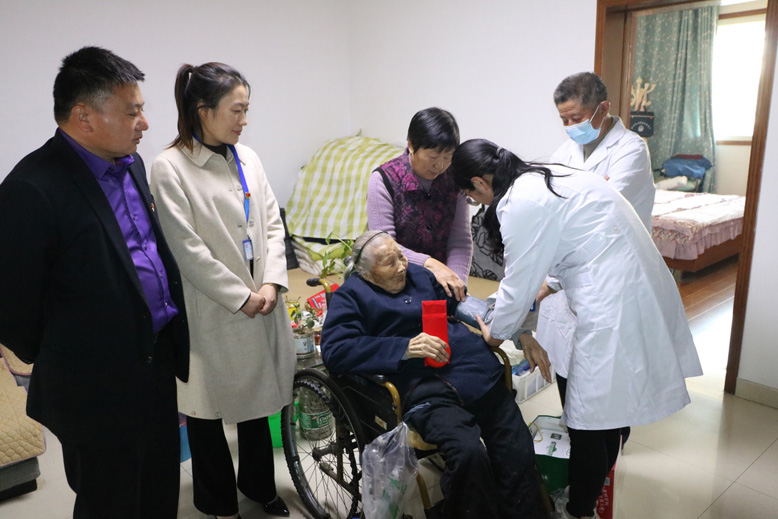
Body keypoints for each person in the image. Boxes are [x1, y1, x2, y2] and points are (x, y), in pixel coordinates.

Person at [450, 139, 702, 519]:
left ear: (479, 183)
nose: (477, 203)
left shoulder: (518, 202)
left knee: (588, 419)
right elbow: (578, 238)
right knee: (610, 412)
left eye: (472, 197)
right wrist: (546, 288)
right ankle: (590, 496)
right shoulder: (547, 175)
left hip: (612, 300)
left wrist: (496, 333)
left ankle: (578, 510)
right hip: (630, 283)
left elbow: (517, 285)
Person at [0, 47, 190, 518]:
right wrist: (71, 352)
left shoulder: (132, 164)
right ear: (84, 116)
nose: (144, 122)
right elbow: (13, 308)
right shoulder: (32, 188)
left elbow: (146, 253)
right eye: (132, 111)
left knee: (160, 487)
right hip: (93, 384)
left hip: (155, 361)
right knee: (110, 500)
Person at [149, 63, 296, 519]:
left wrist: (271, 281)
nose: (244, 120)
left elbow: (272, 223)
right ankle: (217, 502)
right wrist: (241, 295)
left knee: (258, 403)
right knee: (207, 411)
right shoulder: (169, 167)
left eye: (246, 110)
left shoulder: (247, 157)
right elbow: (185, 248)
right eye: (237, 110)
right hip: (211, 310)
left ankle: (259, 486)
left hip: (262, 299)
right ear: (203, 110)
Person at [321, 231, 544, 519]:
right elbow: (336, 350)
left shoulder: (420, 276)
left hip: (473, 373)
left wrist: (518, 332)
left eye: (401, 256)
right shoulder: (351, 296)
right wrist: (404, 347)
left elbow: (462, 304)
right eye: (389, 262)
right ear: (366, 273)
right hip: (425, 392)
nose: (402, 266)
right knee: (469, 455)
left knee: (517, 447)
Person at [537, 72, 657, 447]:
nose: (570, 127)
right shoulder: (563, 154)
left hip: (612, 278)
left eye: (576, 118)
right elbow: (550, 209)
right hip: (569, 276)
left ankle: (611, 444)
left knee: (609, 374)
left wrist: (550, 279)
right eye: (564, 120)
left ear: (602, 109)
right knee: (568, 365)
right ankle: (582, 436)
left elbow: (599, 217)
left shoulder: (630, 150)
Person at [367, 107, 472, 301]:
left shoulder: (454, 179)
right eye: (433, 157)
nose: (440, 166)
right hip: (395, 281)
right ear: (411, 145)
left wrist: (456, 283)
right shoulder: (383, 180)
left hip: (443, 283)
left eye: (447, 157)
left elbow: (460, 241)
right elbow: (385, 246)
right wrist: (430, 264)